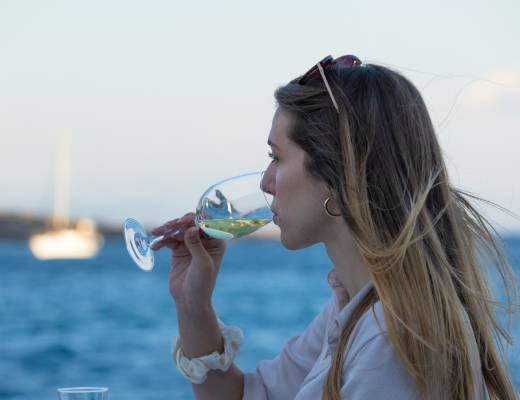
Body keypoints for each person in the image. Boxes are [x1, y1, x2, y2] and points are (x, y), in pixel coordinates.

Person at [151, 55, 518, 399]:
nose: (265, 182)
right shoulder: (358, 305)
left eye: (276, 158)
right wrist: (193, 305)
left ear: (336, 176)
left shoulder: (388, 343)